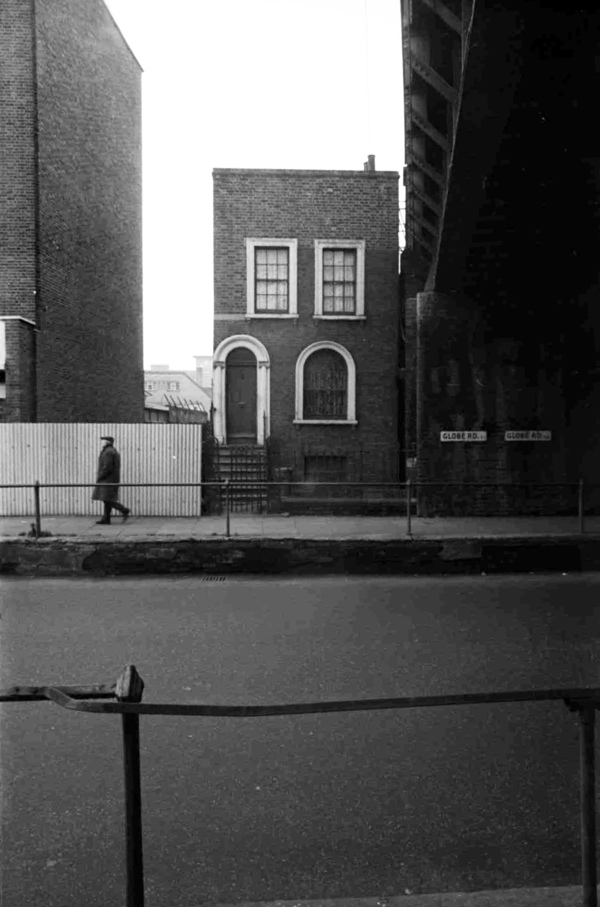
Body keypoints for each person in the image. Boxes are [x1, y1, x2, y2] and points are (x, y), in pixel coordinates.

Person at [92, 435, 130, 525]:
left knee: (107, 499)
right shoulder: (112, 451)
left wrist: (100, 476)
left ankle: (124, 510)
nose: (101, 442)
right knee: (106, 499)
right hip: (111, 478)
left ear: (107, 442)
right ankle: (106, 518)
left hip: (107, 479)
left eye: (103, 440)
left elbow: (108, 466)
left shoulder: (108, 452)